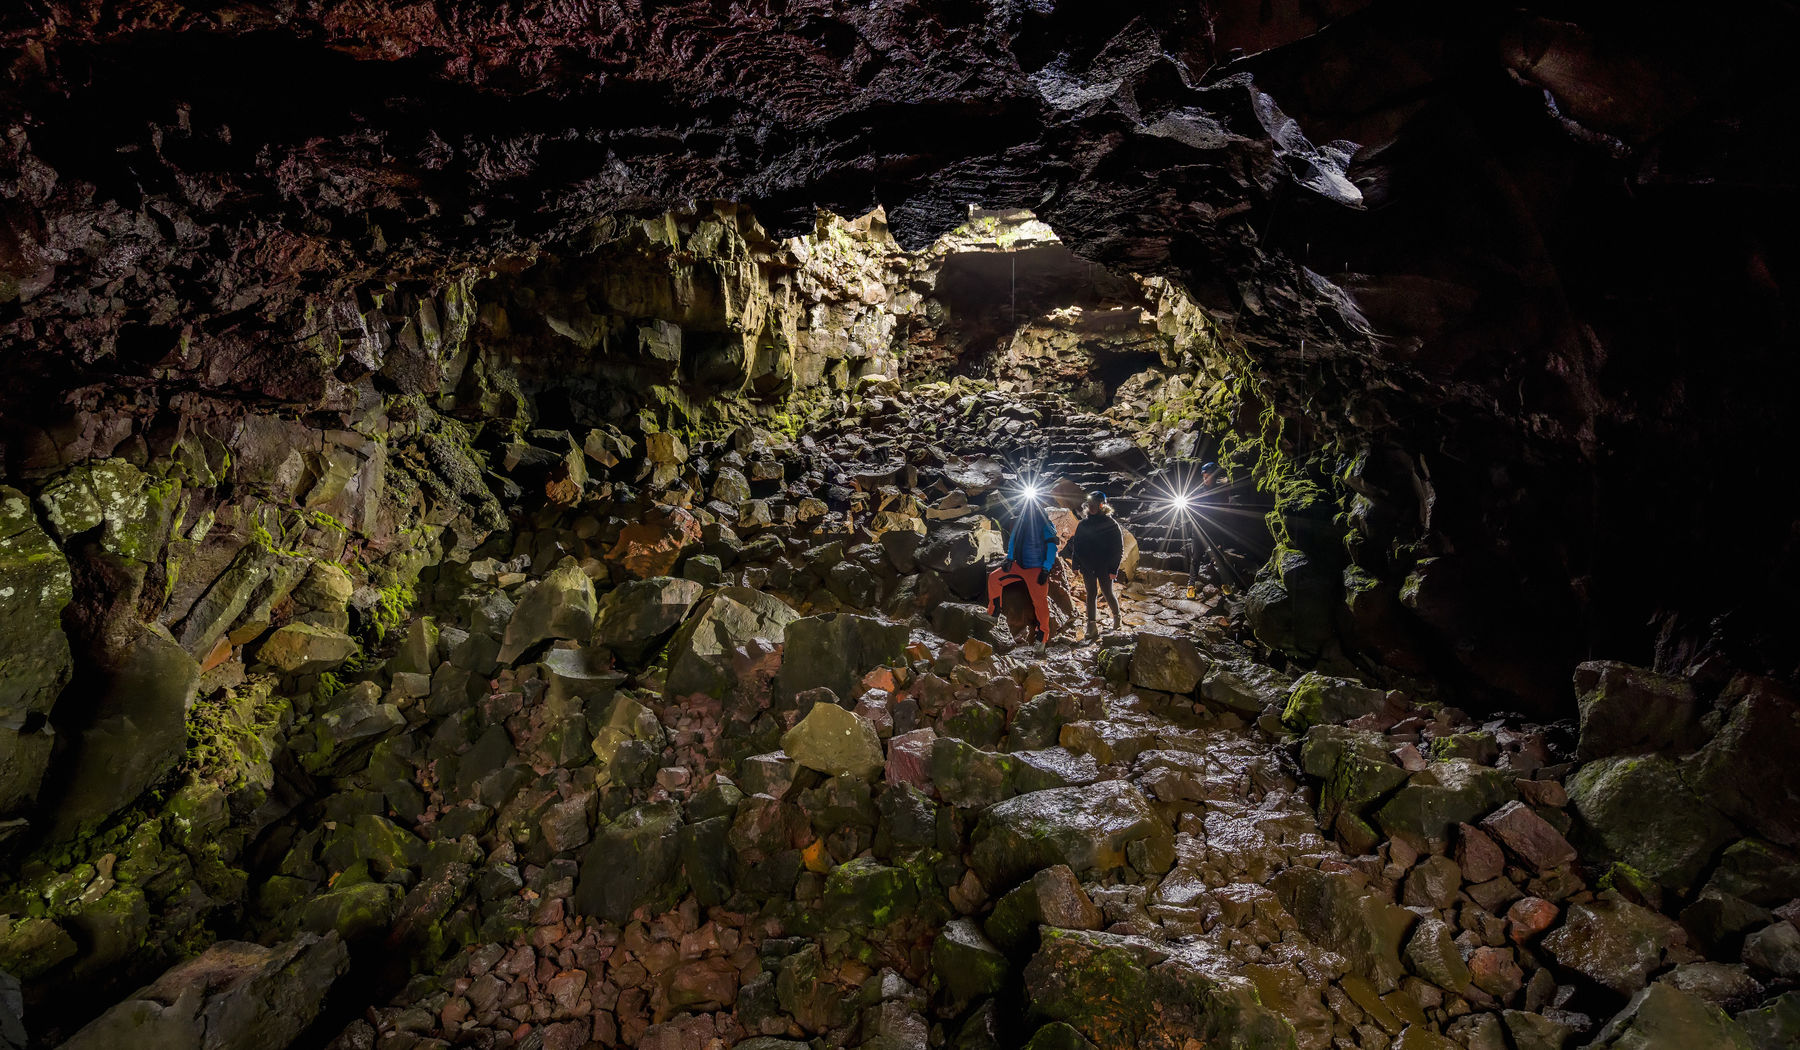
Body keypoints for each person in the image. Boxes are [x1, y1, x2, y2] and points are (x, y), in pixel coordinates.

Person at [986, 496, 1060, 654]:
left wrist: (1046, 568)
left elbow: (1052, 547)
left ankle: (1042, 638)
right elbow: (1013, 540)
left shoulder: (1045, 523)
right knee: (994, 578)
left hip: (1036, 568)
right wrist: (1009, 559)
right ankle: (994, 613)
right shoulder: (1020, 521)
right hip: (1019, 565)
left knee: (1040, 603)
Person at [1065, 491, 1124, 639]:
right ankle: (1091, 627)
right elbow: (1077, 545)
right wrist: (1075, 565)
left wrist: (1113, 569)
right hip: (1088, 566)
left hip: (1104, 567)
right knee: (1090, 595)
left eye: (1095, 505)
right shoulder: (1083, 524)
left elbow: (1118, 549)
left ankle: (1117, 618)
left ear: (1101, 505)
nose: (1091, 507)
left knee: (1107, 592)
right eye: (1090, 504)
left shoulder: (1111, 524)